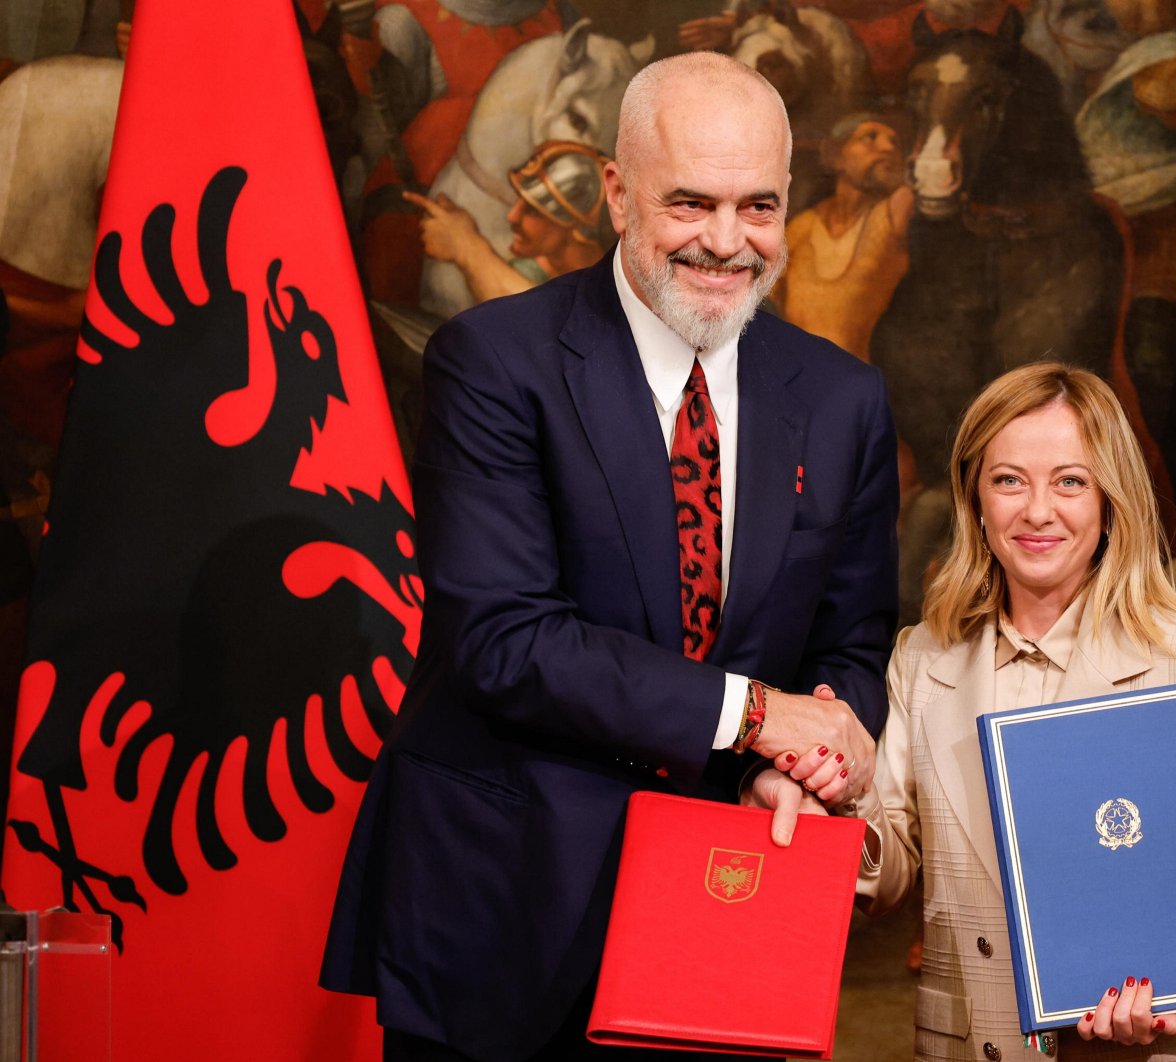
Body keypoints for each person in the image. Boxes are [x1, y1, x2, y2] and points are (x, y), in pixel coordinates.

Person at [320, 50, 900, 1062]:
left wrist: (811, 764)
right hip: (504, 912)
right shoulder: (493, 363)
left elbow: (850, 642)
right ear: (620, 195)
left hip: (726, 919)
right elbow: (503, 638)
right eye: (691, 203)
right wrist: (759, 716)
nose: (727, 243)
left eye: (757, 207)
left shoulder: (842, 400)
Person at [751, 363, 1176, 1060]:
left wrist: (1174, 988)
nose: (1037, 511)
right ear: (975, 500)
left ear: (1111, 501)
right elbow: (886, 865)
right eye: (1008, 480)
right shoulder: (923, 659)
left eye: (1070, 481)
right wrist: (831, 796)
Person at [772, 112, 912, 362]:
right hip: (793, 380)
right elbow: (770, 302)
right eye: (870, 137)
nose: (888, 147)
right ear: (835, 156)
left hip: (854, 387)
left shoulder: (893, 212)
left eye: (895, 143)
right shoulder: (802, 227)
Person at [402, 140, 611, 304]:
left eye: (532, 210)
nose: (512, 216)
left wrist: (465, 246)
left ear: (572, 224)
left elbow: (543, 325)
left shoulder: (612, 284)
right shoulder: (527, 270)